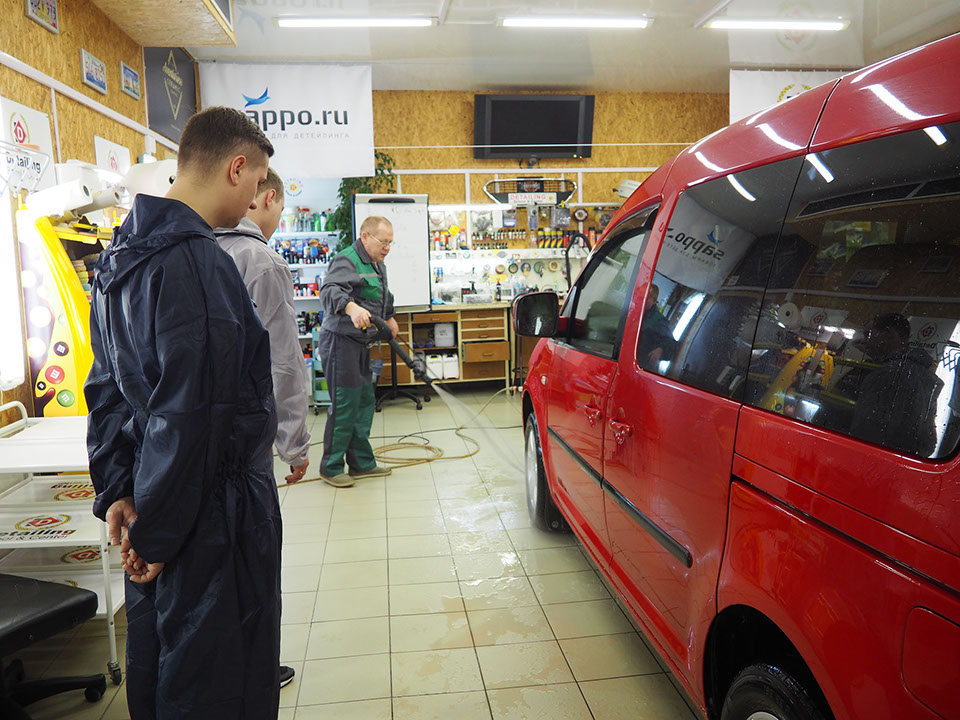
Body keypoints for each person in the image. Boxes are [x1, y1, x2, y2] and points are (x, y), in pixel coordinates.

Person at [84, 106, 283, 719]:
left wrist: (120, 488)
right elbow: (194, 413)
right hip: (210, 519)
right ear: (236, 166)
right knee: (218, 682)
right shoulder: (199, 265)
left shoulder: (121, 252)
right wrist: (163, 535)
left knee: (164, 668)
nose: (254, 200)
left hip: (155, 495)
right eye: (255, 185)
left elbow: (107, 384)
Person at [214, 167, 308, 690]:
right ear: (263, 196)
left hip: (178, 444)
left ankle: (219, 671)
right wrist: (294, 442)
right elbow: (283, 363)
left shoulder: (181, 250)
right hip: (242, 447)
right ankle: (253, 672)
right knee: (250, 560)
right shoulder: (259, 260)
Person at [316, 216, 399, 487]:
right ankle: (331, 466)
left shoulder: (378, 263)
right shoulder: (347, 259)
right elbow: (329, 290)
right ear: (365, 237)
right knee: (345, 403)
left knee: (363, 400)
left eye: (390, 243)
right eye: (382, 241)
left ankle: (362, 463)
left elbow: (382, 294)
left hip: (362, 342)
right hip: (341, 341)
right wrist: (350, 308)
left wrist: (389, 316)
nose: (387, 247)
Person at [849, 312, 943, 457]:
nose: (866, 342)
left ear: (888, 333)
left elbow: (865, 434)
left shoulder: (887, 374)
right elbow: (928, 440)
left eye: (869, 335)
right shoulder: (923, 374)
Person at [638, 283, 678, 371]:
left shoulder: (659, 321)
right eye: (640, 294)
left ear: (654, 300)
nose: (642, 298)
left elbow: (671, 345)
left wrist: (661, 350)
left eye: (647, 296)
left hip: (641, 367)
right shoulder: (632, 312)